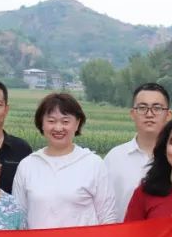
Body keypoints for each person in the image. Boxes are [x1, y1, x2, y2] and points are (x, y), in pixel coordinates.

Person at [12, 92, 116, 228]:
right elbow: (18, 218)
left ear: (77, 123)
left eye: (65, 121)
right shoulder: (27, 165)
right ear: (41, 123)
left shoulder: (93, 164)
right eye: (51, 121)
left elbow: (107, 217)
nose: (58, 128)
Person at [104, 83, 172, 222]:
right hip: (123, 233)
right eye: (142, 108)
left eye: (157, 108)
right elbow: (104, 207)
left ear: (168, 115)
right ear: (132, 114)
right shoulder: (114, 158)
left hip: (167, 234)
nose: (149, 114)